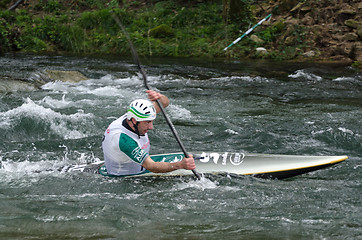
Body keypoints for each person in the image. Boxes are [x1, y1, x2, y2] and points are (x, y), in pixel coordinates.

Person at [102, 90, 196, 176]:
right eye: (147, 122)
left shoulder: (133, 116)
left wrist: (159, 97)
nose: (151, 127)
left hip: (138, 166)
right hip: (125, 178)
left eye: (151, 121)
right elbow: (150, 166)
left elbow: (164, 103)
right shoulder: (124, 140)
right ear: (134, 121)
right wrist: (179, 165)